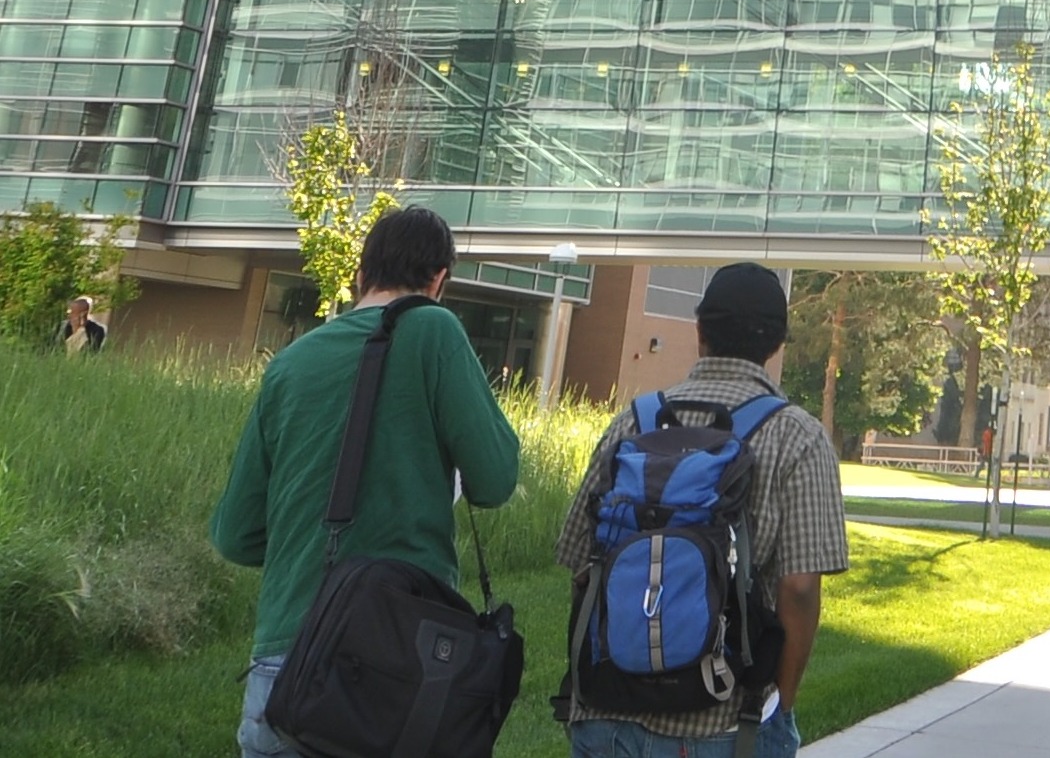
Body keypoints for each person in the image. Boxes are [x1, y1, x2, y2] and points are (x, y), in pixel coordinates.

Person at [210, 207, 521, 758]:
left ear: (361, 273)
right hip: (392, 665)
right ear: (439, 280)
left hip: (284, 664)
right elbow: (494, 479)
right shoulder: (433, 326)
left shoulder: (290, 362)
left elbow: (236, 536)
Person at [557, 262, 846, 758]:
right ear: (778, 343)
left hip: (605, 713)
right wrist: (781, 708)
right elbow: (798, 590)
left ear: (699, 331)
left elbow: (580, 562)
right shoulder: (798, 435)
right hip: (721, 721)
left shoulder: (634, 421)